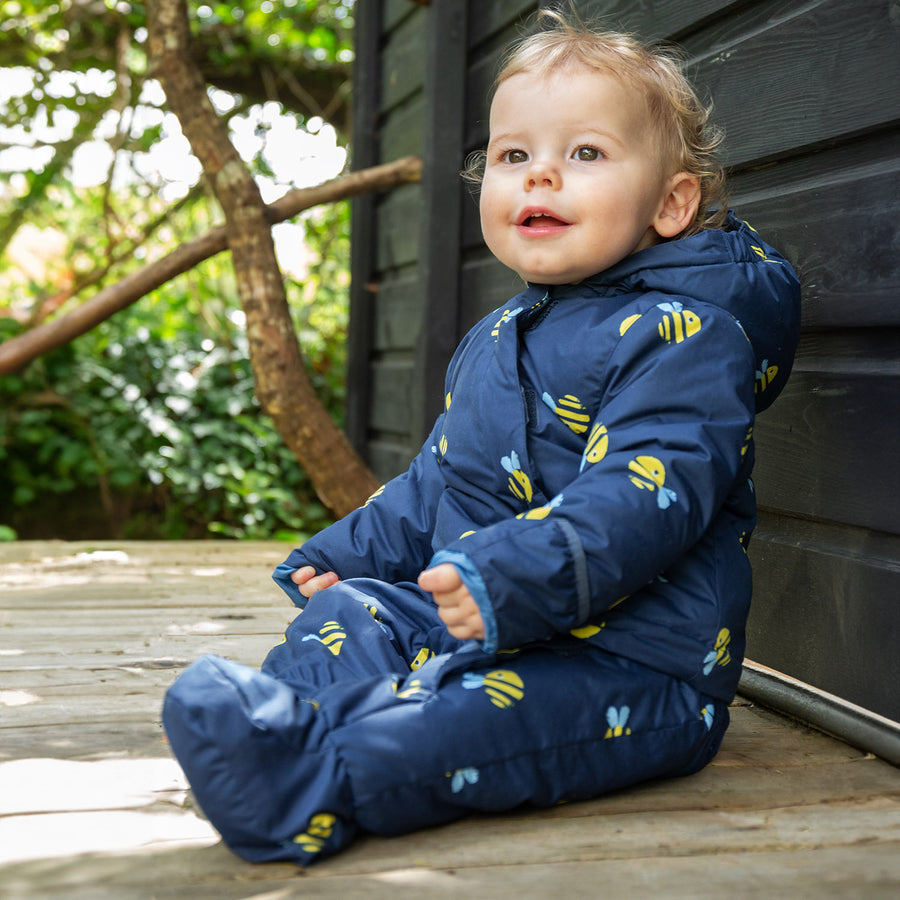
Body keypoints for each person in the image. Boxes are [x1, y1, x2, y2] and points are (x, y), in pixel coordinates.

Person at [162, 9, 801, 866]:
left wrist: (504, 575)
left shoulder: (687, 337)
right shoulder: (500, 335)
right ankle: (283, 722)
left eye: (585, 153)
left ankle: (313, 781)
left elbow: (644, 500)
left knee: (468, 718)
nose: (540, 175)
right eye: (512, 155)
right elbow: (442, 481)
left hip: (631, 668)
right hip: (490, 614)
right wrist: (351, 555)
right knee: (354, 615)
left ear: (672, 203)